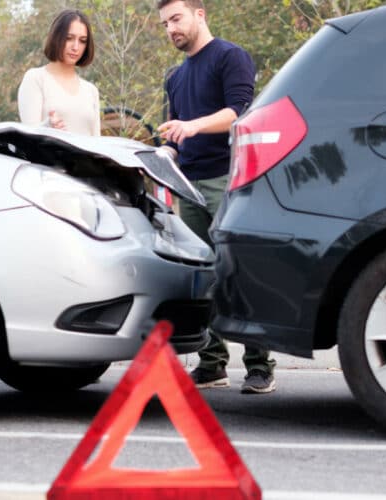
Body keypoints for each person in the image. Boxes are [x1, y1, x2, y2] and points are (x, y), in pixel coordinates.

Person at [156, 0, 277, 394]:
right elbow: (176, 137)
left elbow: (238, 112)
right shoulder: (174, 78)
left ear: (199, 14)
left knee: (239, 270)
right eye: (165, 23)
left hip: (229, 178)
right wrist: (164, 153)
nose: (171, 28)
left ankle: (260, 365)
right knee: (202, 274)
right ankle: (212, 365)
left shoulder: (230, 57)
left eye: (176, 19)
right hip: (188, 186)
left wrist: (190, 127)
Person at [17, 9, 100, 136]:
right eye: (69, 38)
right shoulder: (36, 78)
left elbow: (97, 143)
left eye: (82, 40)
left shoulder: (91, 90)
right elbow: (29, 136)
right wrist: (48, 127)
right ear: (56, 37)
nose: (76, 47)